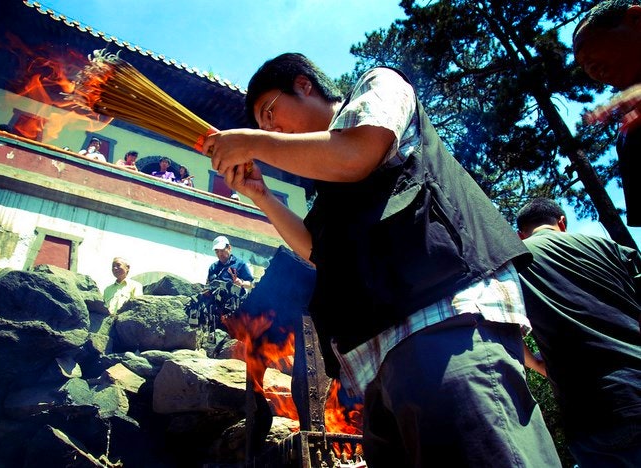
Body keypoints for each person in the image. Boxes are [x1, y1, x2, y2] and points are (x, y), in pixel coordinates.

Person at [202, 53, 561, 466]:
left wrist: (251, 141)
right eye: (262, 125)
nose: (270, 128)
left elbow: (357, 153)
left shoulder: (378, 85)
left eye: (269, 113)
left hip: (447, 326)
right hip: (381, 368)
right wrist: (260, 195)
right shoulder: (330, 189)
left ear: (304, 85)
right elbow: (318, 254)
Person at [515, 197, 641, 467]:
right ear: (562, 222)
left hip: (587, 414)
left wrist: (537, 364)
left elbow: (502, 323)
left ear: (519, 234)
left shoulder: (516, 263)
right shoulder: (612, 249)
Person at [573, 0, 641, 226]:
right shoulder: (628, 134)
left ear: (635, 19)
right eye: (583, 67)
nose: (590, 69)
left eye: (588, 50)